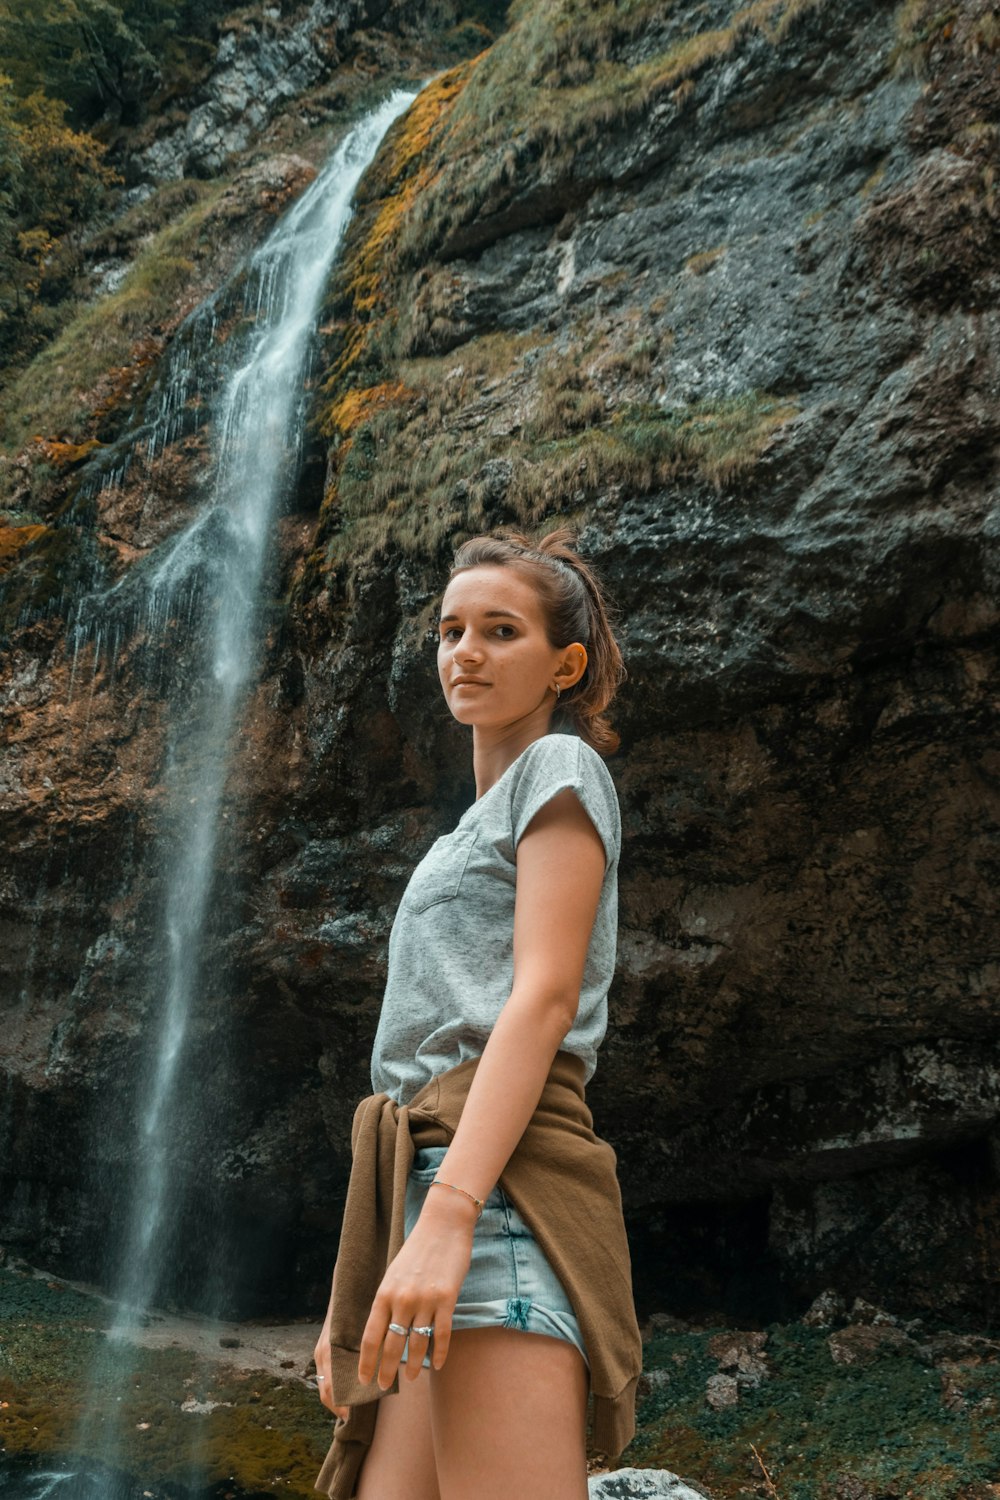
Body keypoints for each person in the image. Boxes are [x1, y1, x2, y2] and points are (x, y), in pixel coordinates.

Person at [312, 527, 642, 1500]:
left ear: (563, 666)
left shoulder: (560, 771)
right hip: (426, 1189)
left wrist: (450, 1219)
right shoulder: (465, 830)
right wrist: (383, 1257)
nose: (465, 650)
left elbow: (540, 1000)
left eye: (501, 631)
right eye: (451, 629)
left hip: (491, 1195)